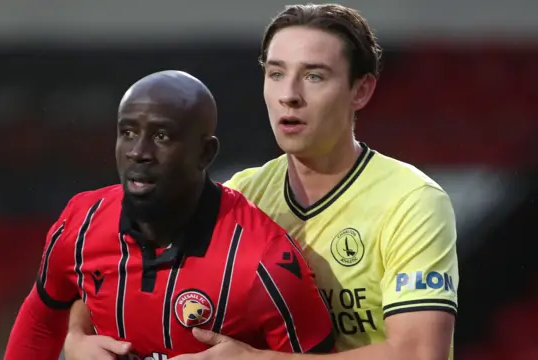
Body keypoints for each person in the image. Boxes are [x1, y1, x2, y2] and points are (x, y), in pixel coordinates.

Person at [64, 3, 459, 360]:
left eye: (314, 76)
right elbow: (121, 254)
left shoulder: (411, 201)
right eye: (276, 73)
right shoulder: (242, 193)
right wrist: (77, 333)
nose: (289, 95)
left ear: (361, 90)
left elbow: (421, 354)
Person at [3, 70, 336, 360]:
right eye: (128, 132)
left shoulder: (264, 261)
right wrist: (74, 338)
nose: (138, 152)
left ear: (204, 153)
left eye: (161, 136)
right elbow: (41, 320)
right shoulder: (81, 223)